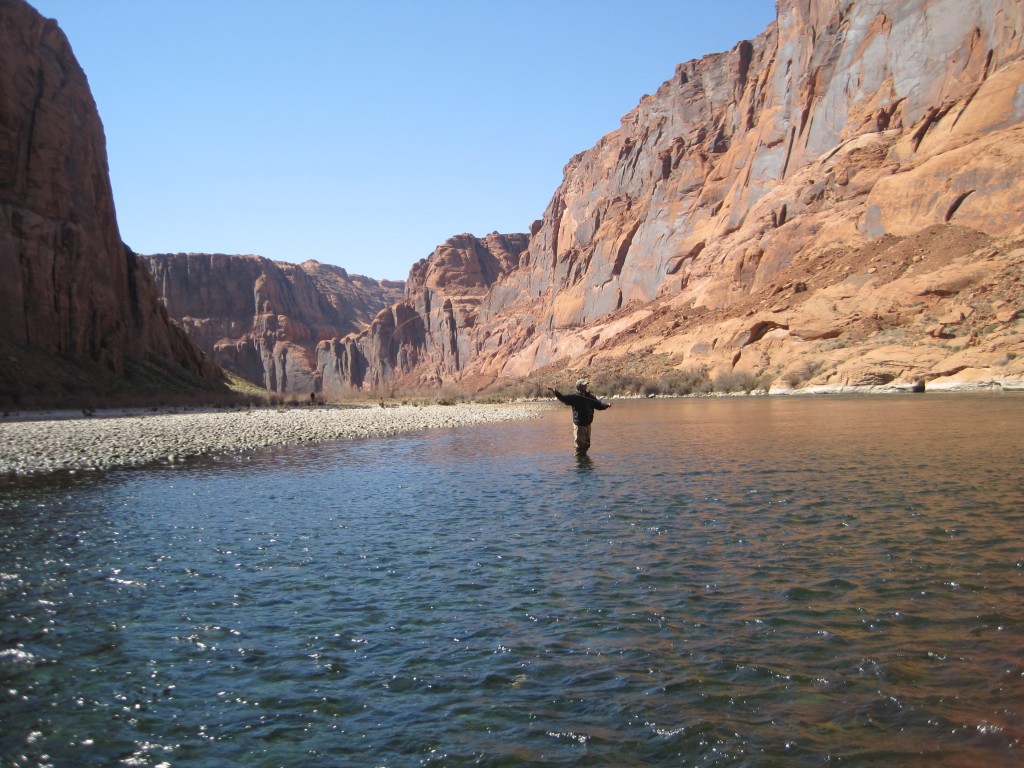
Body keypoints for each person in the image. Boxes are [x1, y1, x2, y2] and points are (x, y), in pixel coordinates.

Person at [546, 379, 611, 454]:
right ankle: (579, 462)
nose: (586, 386)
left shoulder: (590, 397)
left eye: (586, 384)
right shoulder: (575, 397)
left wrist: (606, 405)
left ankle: (584, 462)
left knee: (586, 445)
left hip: (588, 424)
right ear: (579, 387)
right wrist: (554, 391)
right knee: (579, 446)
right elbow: (563, 398)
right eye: (584, 385)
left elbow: (599, 405)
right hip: (579, 425)